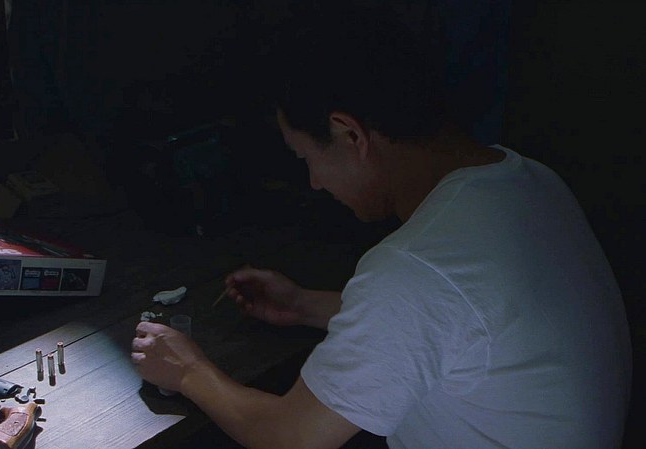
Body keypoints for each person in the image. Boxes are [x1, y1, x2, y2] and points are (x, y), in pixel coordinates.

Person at [131, 3, 631, 448]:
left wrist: (188, 370)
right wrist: (304, 305)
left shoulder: (416, 266)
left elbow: (290, 436)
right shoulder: (527, 180)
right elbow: (458, 323)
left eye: (306, 158)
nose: (314, 182)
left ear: (349, 134)